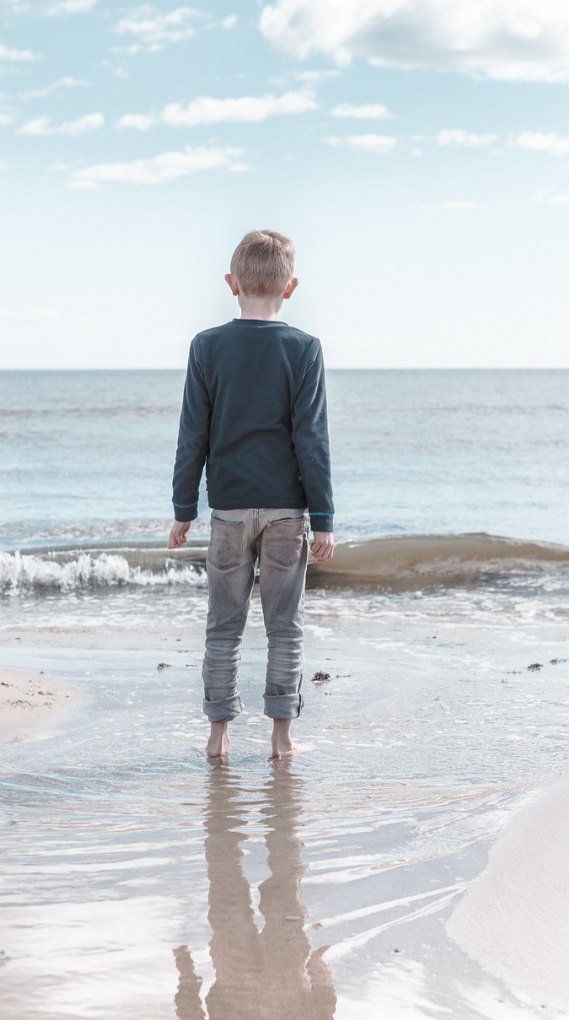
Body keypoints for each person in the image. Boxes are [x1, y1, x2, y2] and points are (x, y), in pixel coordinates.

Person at [168, 229, 335, 759]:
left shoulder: (207, 346)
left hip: (229, 511)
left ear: (231, 283)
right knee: (285, 628)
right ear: (290, 288)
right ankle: (281, 738)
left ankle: (217, 736)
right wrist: (324, 515)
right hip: (288, 511)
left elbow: (192, 433)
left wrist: (182, 510)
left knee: (224, 628)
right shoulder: (304, 349)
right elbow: (311, 438)